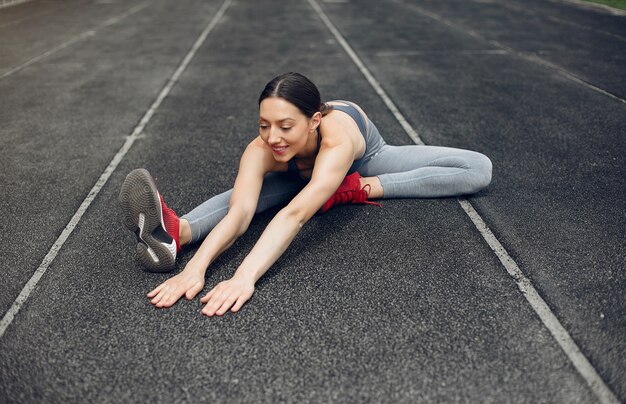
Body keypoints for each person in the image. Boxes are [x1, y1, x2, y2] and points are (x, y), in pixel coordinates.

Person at [118, 72, 492, 317]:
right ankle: (178, 234)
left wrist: (244, 277)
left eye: (285, 126)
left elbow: (294, 216)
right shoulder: (264, 148)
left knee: (477, 169)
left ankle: (358, 187)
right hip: (298, 173)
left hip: (364, 164)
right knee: (240, 195)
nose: (273, 137)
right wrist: (195, 269)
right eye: (264, 125)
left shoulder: (337, 141)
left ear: (314, 121)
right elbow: (240, 214)